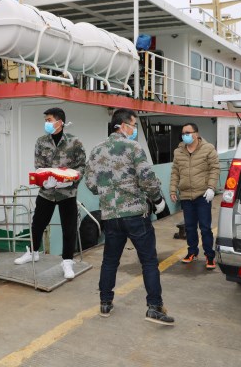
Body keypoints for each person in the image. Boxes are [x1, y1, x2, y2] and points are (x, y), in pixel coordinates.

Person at [85, 108, 174, 325]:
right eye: (133, 125)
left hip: (110, 215)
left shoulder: (96, 150)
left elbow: (91, 184)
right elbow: (147, 178)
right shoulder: (133, 147)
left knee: (109, 261)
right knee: (149, 262)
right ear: (123, 125)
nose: (134, 130)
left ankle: (105, 303)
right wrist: (158, 200)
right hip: (135, 214)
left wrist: (108, 191)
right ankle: (154, 307)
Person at [14, 107, 86, 280]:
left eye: (49, 120)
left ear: (59, 122)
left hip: (67, 193)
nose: (46, 123)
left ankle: (67, 261)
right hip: (46, 192)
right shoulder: (41, 142)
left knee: (68, 228)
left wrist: (71, 180)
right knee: (37, 224)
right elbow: (38, 166)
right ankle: (32, 252)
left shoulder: (74, 142)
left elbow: (82, 166)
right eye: (45, 120)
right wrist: (44, 181)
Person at [169, 123, 219, 269]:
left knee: (205, 228)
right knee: (190, 227)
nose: (185, 135)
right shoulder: (178, 152)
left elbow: (214, 169)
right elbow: (175, 172)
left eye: (188, 133)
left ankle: (209, 256)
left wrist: (211, 188)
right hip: (186, 196)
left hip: (203, 195)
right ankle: (192, 252)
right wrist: (173, 190)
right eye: (183, 133)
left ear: (196, 134)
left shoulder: (208, 148)